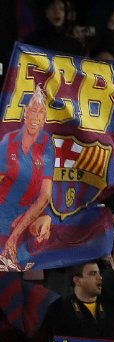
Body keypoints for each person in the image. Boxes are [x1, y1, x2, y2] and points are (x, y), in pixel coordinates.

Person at [0, 85, 54, 269]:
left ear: (44, 118)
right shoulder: (8, 140)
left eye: (40, 112)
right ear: (25, 113)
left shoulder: (47, 144)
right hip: (3, 214)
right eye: (31, 110)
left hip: (27, 217)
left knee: (30, 271)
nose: (34, 116)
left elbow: (45, 196)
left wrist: (17, 234)